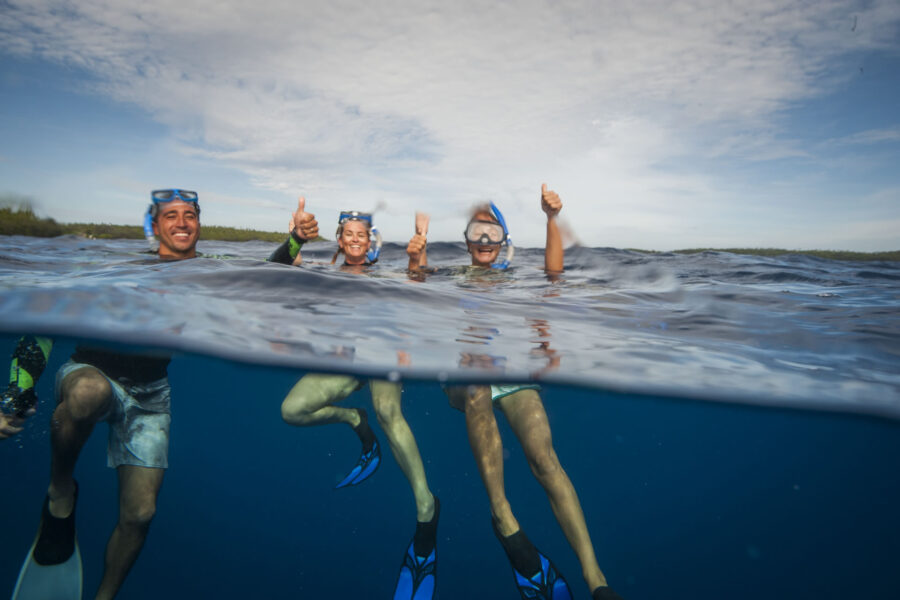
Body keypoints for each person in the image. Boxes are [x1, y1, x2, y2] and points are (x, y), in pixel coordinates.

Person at [410, 184, 622, 600]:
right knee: (477, 386)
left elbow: (554, 275)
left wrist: (551, 220)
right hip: (465, 383)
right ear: (466, 240)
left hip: (513, 379)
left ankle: (596, 579)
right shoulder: (454, 276)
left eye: (492, 232)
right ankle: (503, 517)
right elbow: (415, 287)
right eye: (477, 232)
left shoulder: (516, 279)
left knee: (545, 460)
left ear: (504, 240)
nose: (484, 240)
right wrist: (417, 252)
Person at [11, 189, 201, 600]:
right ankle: (60, 491)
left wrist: (295, 241)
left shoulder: (212, 272)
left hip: (152, 395)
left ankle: (105, 596)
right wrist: (17, 393)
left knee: (140, 515)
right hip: (93, 371)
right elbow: (44, 311)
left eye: (189, 214)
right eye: (171, 215)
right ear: (154, 225)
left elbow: (268, 274)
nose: (182, 222)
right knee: (88, 393)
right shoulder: (120, 269)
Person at [268, 200, 440, 600]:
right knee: (290, 410)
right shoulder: (326, 275)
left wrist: (420, 248)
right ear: (341, 240)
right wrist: (293, 238)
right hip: (344, 363)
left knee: (388, 410)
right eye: (348, 234)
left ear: (371, 241)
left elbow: (419, 287)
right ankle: (352, 419)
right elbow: (273, 274)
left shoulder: (385, 276)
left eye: (362, 234)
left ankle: (426, 510)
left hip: (380, 356)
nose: (355, 240)